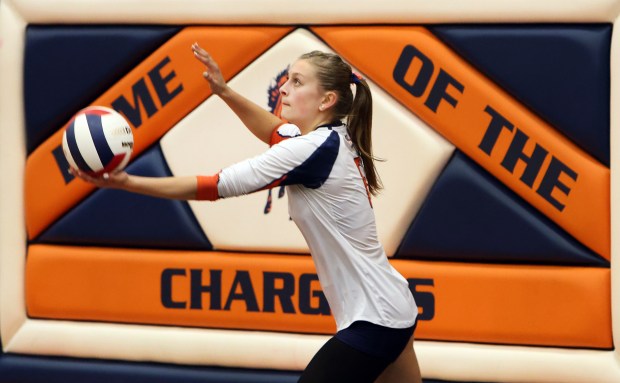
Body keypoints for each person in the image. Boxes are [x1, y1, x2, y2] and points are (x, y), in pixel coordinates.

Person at [72, 42, 422, 383]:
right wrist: (223, 91)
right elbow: (274, 131)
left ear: (327, 100)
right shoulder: (331, 136)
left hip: (375, 319)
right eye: (286, 79)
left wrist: (127, 182)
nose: (283, 89)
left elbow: (213, 186)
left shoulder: (312, 149)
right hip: (393, 305)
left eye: (297, 82)